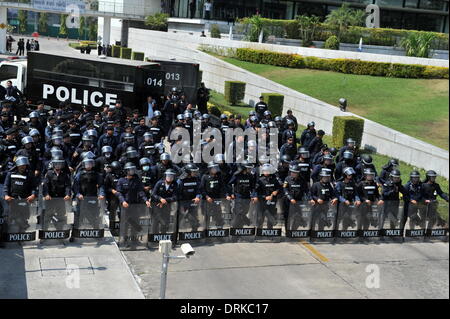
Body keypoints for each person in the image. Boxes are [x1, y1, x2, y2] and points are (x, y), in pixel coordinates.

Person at [227, 160, 258, 229]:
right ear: (244, 168)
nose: (250, 170)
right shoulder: (236, 175)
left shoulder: (250, 176)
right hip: (238, 196)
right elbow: (229, 184)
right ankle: (245, 223)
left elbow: (253, 187)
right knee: (239, 212)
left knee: (244, 212)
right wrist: (231, 193)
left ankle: (239, 231)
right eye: (248, 168)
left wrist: (254, 196)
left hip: (247, 197)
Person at [283, 163, 310, 231]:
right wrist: (290, 198)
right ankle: (288, 232)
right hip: (288, 202)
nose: (293, 174)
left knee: (298, 217)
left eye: (295, 173)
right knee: (288, 217)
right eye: (292, 172)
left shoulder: (302, 180)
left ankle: (293, 231)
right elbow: (285, 189)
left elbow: (306, 190)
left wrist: (309, 199)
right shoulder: (287, 179)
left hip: (298, 201)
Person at [151, 169, 178, 234]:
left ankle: (163, 235)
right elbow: (153, 194)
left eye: (171, 176)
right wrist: (160, 199)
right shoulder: (159, 183)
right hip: (157, 205)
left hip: (167, 205)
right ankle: (155, 236)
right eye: (168, 176)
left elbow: (175, 197)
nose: (170, 177)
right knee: (155, 221)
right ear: (165, 176)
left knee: (166, 222)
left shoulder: (175, 184)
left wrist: (165, 200)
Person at [255, 163, 282, 229]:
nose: (266, 172)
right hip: (262, 202)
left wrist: (276, 191)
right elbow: (256, 192)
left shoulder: (275, 180)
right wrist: (264, 197)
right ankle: (259, 233)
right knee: (260, 218)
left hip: (272, 202)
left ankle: (269, 233)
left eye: (267, 171)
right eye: (264, 171)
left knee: (271, 218)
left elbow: (280, 188)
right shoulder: (260, 180)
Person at [177, 163, 202, 231]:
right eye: (193, 171)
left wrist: (197, 197)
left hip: (193, 201)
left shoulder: (196, 179)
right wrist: (180, 204)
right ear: (188, 172)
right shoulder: (180, 181)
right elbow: (177, 193)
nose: (195, 173)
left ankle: (194, 232)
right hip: (183, 202)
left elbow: (199, 190)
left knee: (193, 216)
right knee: (180, 217)